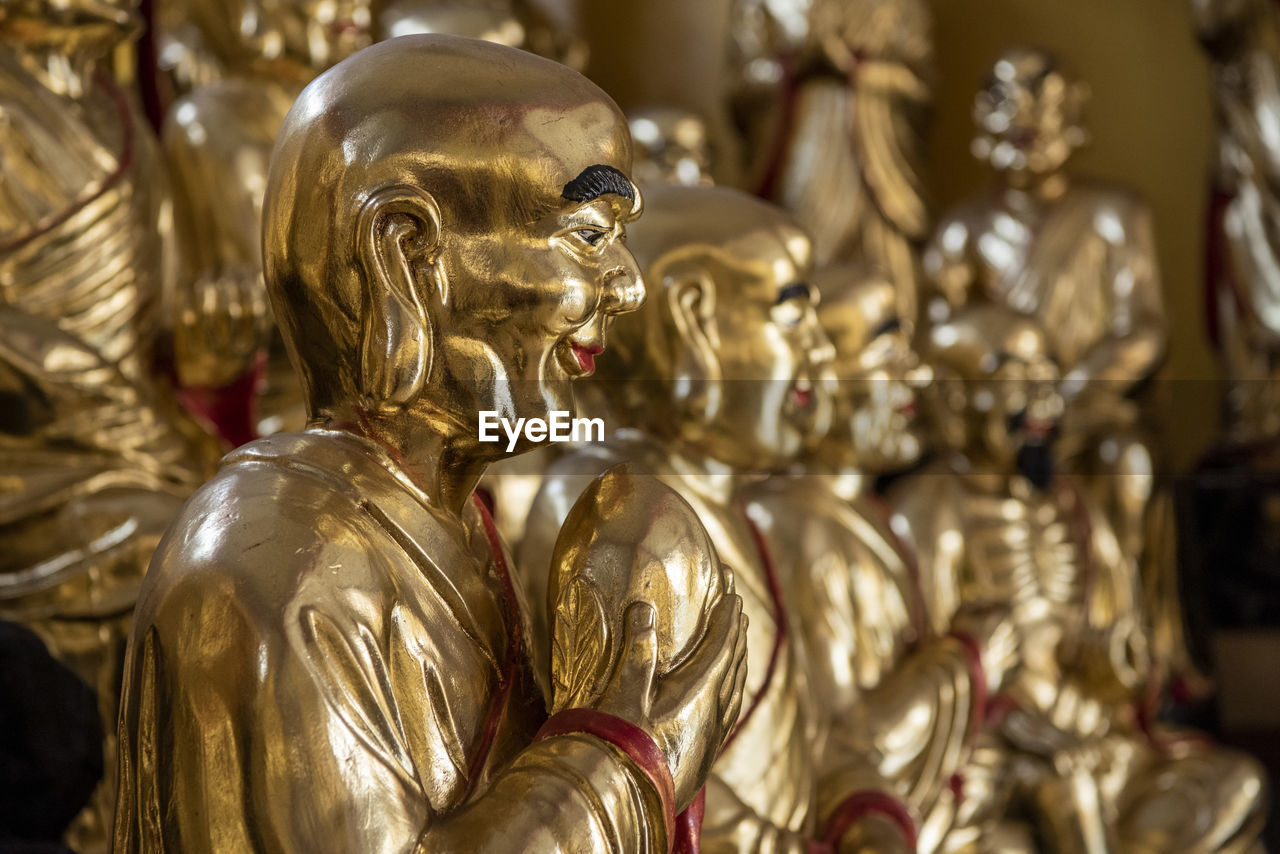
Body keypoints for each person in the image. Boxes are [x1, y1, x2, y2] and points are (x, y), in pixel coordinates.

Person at [114, 35, 746, 853]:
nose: (628, 287)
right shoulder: (271, 571)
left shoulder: (455, 531)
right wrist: (624, 756)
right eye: (588, 235)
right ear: (405, 253)